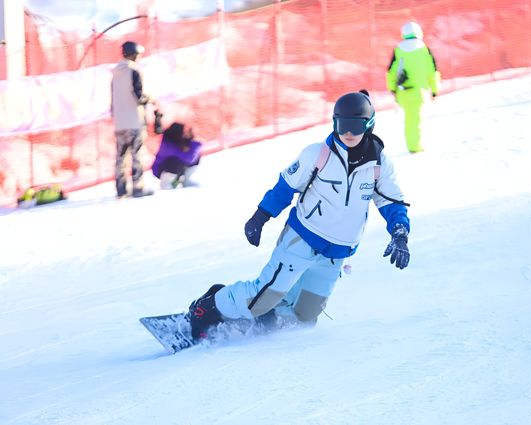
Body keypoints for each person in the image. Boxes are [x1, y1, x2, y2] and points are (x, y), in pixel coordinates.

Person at [184, 90, 411, 343]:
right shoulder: (318, 154)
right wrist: (261, 216)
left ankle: (266, 317)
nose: (347, 133)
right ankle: (208, 306)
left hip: (337, 251)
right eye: (342, 125)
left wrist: (400, 233)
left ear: (368, 125)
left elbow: (391, 202)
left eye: (355, 126)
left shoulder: (379, 165)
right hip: (301, 238)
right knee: (261, 297)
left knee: (305, 317)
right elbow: (285, 187)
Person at [386, 21, 439, 154]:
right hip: (419, 92)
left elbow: (390, 71)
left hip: (402, 91)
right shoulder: (424, 49)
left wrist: (392, 89)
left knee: (410, 117)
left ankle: (414, 143)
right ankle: (415, 147)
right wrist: (434, 89)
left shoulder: (398, 49)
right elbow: (432, 71)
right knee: (415, 119)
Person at [111, 40, 155, 198]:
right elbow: (139, 96)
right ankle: (138, 188)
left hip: (119, 123)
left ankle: (121, 189)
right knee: (137, 155)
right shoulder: (134, 70)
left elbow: (113, 100)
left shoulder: (115, 73)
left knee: (120, 157)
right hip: (134, 121)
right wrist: (151, 100)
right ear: (134, 54)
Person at [151, 122, 203, 189]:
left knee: (196, 157)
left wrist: (192, 141)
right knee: (175, 161)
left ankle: (186, 180)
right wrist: (195, 143)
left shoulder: (181, 142)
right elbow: (188, 159)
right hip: (160, 171)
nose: (185, 134)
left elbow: (191, 159)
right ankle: (165, 184)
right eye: (184, 132)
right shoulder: (167, 143)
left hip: (176, 170)